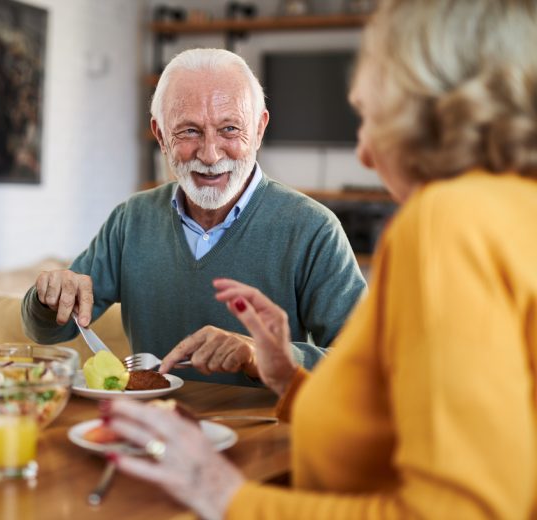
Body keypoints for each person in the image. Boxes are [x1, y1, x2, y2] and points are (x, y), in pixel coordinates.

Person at [104, 0, 537, 518]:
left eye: (373, 117)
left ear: (430, 112)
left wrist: (220, 492)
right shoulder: (513, 209)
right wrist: (287, 376)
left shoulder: (447, 223)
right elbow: (408, 423)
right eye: (191, 131)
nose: (365, 154)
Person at [21, 48, 366, 386]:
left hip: (261, 435)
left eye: (229, 129)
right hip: (150, 433)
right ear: (160, 135)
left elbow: (365, 362)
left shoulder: (313, 229)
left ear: (259, 130)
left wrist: (261, 355)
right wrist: (49, 297)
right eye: (189, 131)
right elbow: (49, 329)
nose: (210, 154)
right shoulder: (132, 220)